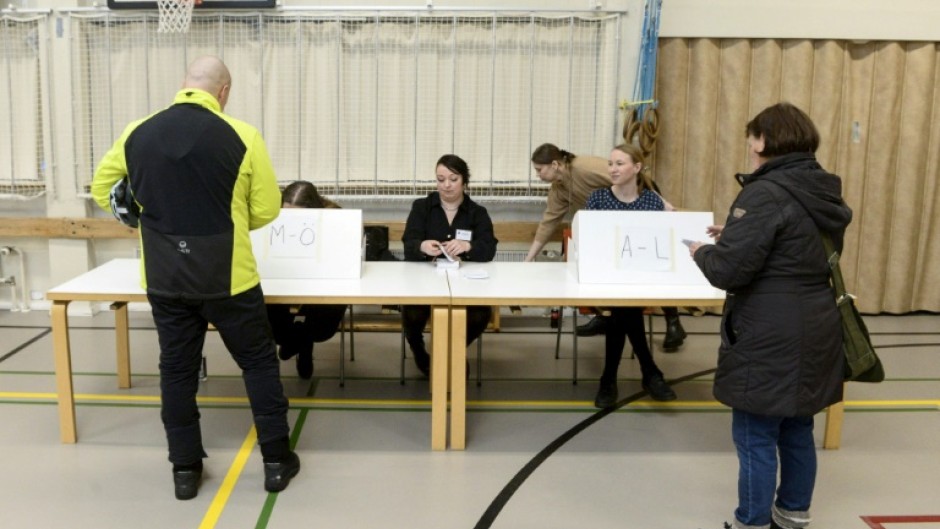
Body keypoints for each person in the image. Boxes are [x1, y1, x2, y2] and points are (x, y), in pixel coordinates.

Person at [90, 56, 300, 500]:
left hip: (164, 276)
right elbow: (267, 209)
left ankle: (185, 470)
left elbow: (102, 187)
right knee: (258, 364)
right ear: (223, 92)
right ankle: (277, 462)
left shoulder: (136, 131)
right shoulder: (243, 135)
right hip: (230, 277)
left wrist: (140, 215)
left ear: (183, 84)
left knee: (177, 371)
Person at [688, 102, 852, 529]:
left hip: (769, 327)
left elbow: (728, 271)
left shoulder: (763, 191)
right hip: (815, 320)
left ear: (763, 140)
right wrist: (739, 234)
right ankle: (793, 515)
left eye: (751, 138)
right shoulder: (823, 187)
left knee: (755, 433)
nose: (748, 145)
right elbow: (801, 244)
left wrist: (703, 251)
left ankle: (752, 521)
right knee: (797, 427)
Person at [527, 143, 686, 349]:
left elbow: (630, 178)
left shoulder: (585, 167)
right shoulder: (558, 191)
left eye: (540, 170)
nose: (538, 175)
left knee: (654, 263)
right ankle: (605, 316)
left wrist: (661, 201)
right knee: (594, 263)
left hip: (641, 197)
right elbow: (548, 223)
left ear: (555, 164)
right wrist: (529, 259)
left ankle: (673, 321)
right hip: (610, 224)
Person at [585, 143, 677, 407]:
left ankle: (609, 380)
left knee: (623, 313)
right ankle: (650, 372)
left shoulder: (651, 201)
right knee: (627, 311)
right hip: (606, 278)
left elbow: (661, 243)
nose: (613, 169)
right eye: (611, 163)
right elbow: (592, 242)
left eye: (619, 163)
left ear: (636, 168)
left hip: (642, 279)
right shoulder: (598, 199)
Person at [401, 154, 498, 377]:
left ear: (464, 181)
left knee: (480, 314)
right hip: (425, 282)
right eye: (441, 179)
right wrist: (422, 246)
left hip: (465, 283)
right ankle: (418, 351)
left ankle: (453, 350)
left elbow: (489, 249)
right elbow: (409, 243)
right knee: (412, 313)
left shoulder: (477, 213)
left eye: (453, 179)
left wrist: (468, 246)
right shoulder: (421, 207)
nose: (446, 185)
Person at [266, 181, 347, 379]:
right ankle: (301, 343)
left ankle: (300, 343)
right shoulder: (271, 217)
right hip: (283, 281)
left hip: (323, 284)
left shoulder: (334, 217)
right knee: (273, 325)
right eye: (287, 213)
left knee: (323, 328)